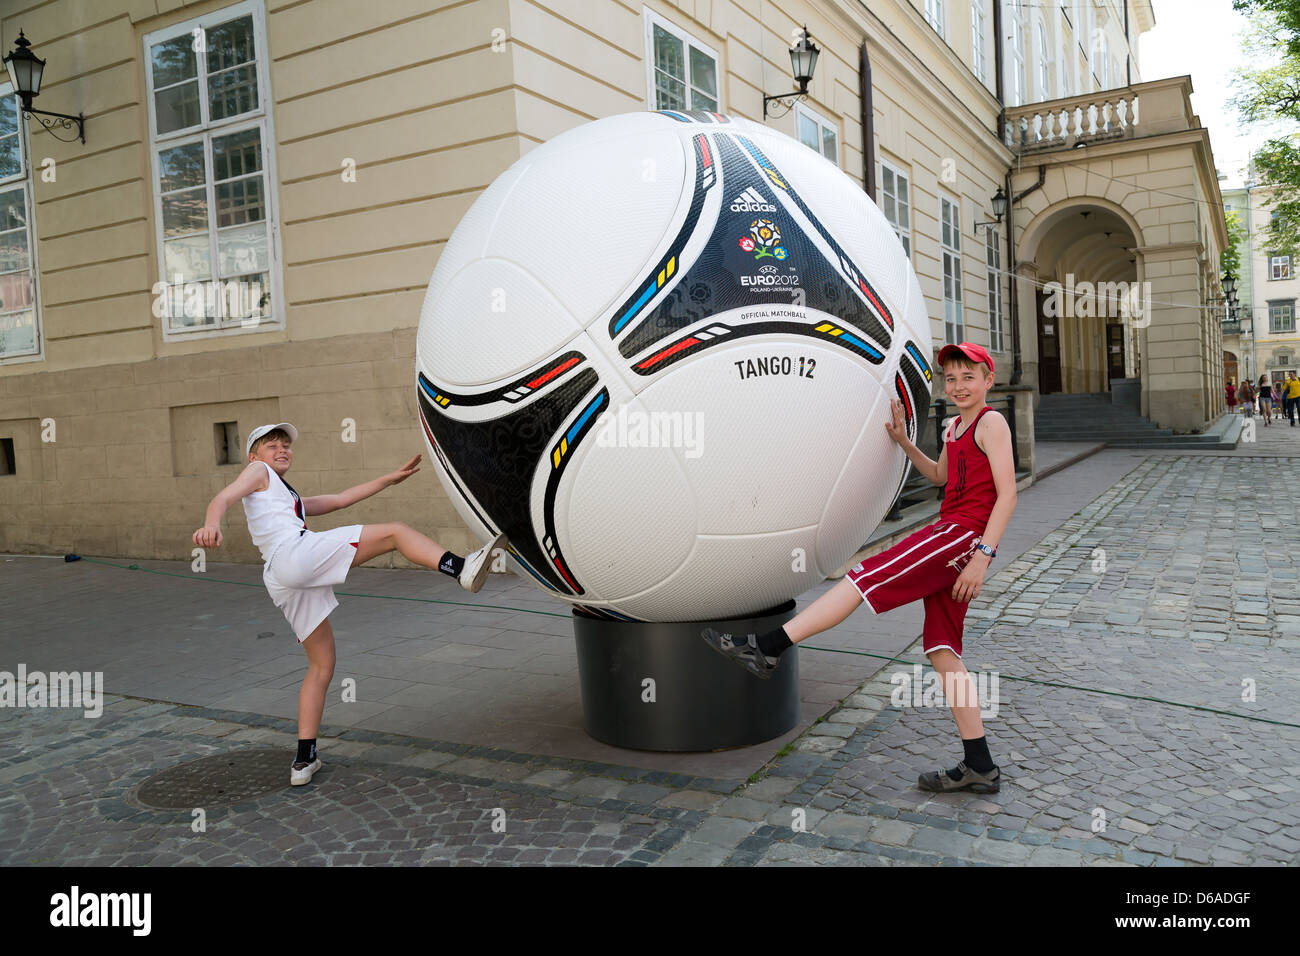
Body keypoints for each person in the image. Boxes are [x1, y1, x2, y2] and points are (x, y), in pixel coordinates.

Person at [701, 342, 1017, 794]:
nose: (959, 385)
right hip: (954, 534)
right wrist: (905, 440)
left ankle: (768, 646)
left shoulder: (993, 422)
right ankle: (980, 764)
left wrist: (981, 557)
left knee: (862, 577)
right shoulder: (953, 428)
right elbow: (941, 478)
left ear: (989, 379)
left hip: (962, 538)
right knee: (943, 650)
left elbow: (1008, 493)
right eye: (951, 378)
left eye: (969, 376)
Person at [193, 423, 507, 786]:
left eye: (285, 445)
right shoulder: (257, 472)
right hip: (293, 555)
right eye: (271, 445)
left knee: (322, 665)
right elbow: (223, 497)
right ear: (254, 455)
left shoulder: (285, 497)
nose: (281, 450)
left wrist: (386, 480)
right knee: (395, 532)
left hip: (282, 577)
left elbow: (340, 499)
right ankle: (461, 568)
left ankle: (303, 760)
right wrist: (211, 525)